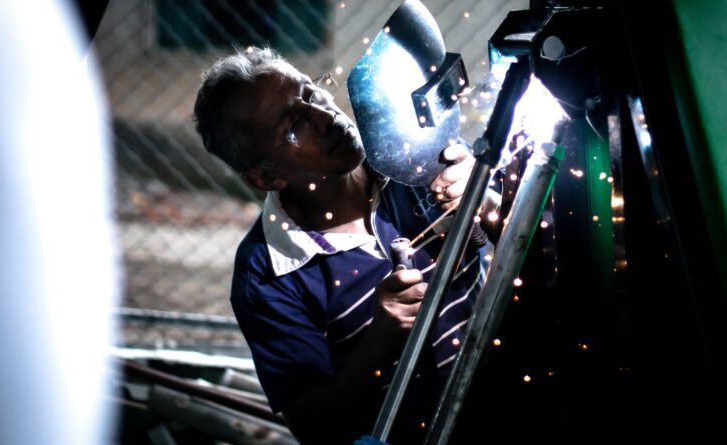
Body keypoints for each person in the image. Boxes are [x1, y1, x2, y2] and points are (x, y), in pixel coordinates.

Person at [193, 46, 498, 444]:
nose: (327, 116)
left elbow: (531, 242)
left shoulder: (415, 154)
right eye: (293, 126)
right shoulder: (267, 276)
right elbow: (316, 428)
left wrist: (488, 198)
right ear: (265, 178)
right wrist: (380, 340)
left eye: (311, 92)